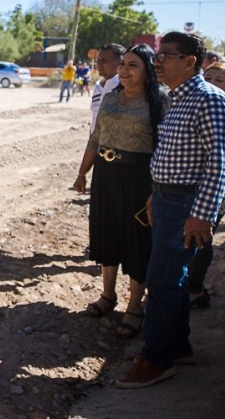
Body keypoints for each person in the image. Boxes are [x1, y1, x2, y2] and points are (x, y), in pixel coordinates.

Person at [116, 32, 225, 389]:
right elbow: (173, 156)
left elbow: (220, 163)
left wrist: (202, 214)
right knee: (173, 279)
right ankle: (178, 347)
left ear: (189, 62)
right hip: (169, 200)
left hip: (187, 205)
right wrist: (156, 194)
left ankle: (156, 359)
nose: (159, 61)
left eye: (167, 55)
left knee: (163, 281)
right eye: (158, 54)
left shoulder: (209, 100)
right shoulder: (179, 98)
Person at [73, 44, 167, 339]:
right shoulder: (111, 97)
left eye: (133, 65)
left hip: (140, 178)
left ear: (148, 70)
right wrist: (81, 173)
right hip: (106, 173)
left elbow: (164, 147)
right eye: (123, 64)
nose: (124, 70)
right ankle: (108, 295)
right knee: (107, 232)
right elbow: (95, 137)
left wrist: (158, 188)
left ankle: (135, 306)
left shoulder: (160, 101)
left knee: (138, 240)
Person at [187, 62, 225, 309]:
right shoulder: (197, 105)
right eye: (207, 77)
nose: (211, 83)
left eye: (218, 80)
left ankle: (195, 288)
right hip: (192, 185)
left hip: (218, 187)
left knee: (203, 239)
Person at [90, 43, 125, 132]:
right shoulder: (98, 86)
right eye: (98, 60)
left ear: (120, 62)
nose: (99, 65)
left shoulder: (124, 87)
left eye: (104, 61)